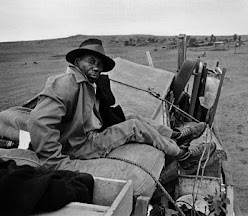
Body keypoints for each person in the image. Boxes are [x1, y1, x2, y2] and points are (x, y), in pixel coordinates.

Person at [27, 38, 214, 172]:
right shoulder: (65, 84)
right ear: (77, 62)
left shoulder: (87, 83)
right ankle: (184, 157)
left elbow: (94, 113)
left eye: (99, 64)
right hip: (80, 146)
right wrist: (54, 161)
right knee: (134, 126)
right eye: (91, 62)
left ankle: (177, 135)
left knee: (133, 117)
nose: (96, 67)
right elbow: (39, 122)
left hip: (90, 134)